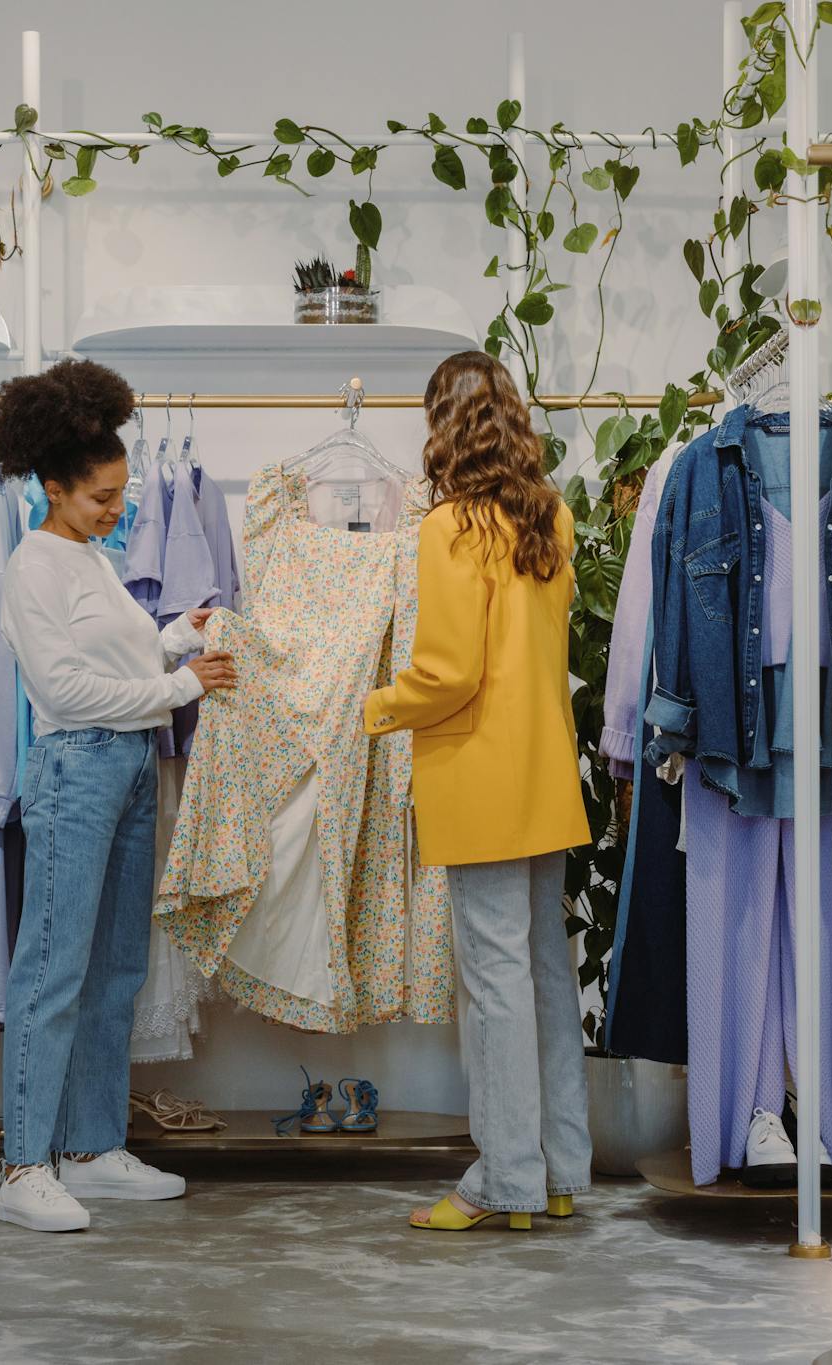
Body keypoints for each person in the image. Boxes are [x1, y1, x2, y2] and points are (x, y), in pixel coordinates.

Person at [0, 359, 238, 1233]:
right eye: (100, 496)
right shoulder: (33, 567)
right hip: (78, 769)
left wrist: (174, 638)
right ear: (52, 487)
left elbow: (117, 660)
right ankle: (25, 1164)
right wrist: (181, 688)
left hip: (130, 767)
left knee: (118, 967)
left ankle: (91, 1148)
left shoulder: (91, 559)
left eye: (122, 492)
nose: (117, 508)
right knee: (53, 969)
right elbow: (63, 692)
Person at [364, 349, 593, 1232]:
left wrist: (378, 705)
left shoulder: (451, 527)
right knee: (541, 980)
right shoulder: (553, 519)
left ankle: (505, 1180)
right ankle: (559, 1169)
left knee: (495, 987)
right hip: (543, 781)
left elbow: (448, 673)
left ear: (444, 427)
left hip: (481, 786)